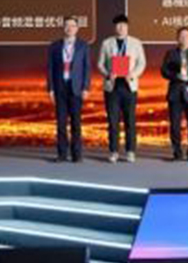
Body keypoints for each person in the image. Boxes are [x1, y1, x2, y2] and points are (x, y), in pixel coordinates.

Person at [97, 14, 146, 164]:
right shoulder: (107, 43)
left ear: (127, 27)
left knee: (130, 120)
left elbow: (142, 63)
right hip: (112, 87)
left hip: (129, 86)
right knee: (113, 121)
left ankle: (130, 151)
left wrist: (133, 74)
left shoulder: (136, 43)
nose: (120, 28)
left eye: (123, 25)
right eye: (118, 25)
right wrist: (108, 74)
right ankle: (114, 151)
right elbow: (100, 64)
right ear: (114, 27)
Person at [46, 16, 90, 163]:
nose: (69, 28)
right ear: (63, 28)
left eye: (72, 25)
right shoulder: (54, 46)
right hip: (60, 88)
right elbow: (50, 69)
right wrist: (50, 89)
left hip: (76, 88)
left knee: (76, 123)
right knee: (61, 123)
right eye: (67, 25)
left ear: (77, 28)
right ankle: (62, 154)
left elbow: (87, 68)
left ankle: (77, 155)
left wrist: (86, 87)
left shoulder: (83, 46)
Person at [160, 27, 188, 161]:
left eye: (186, 36)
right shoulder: (170, 53)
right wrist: (176, 75)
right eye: (181, 36)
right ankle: (177, 152)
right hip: (175, 93)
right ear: (177, 39)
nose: (184, 38)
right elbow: (164, 71)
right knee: (175, 125)